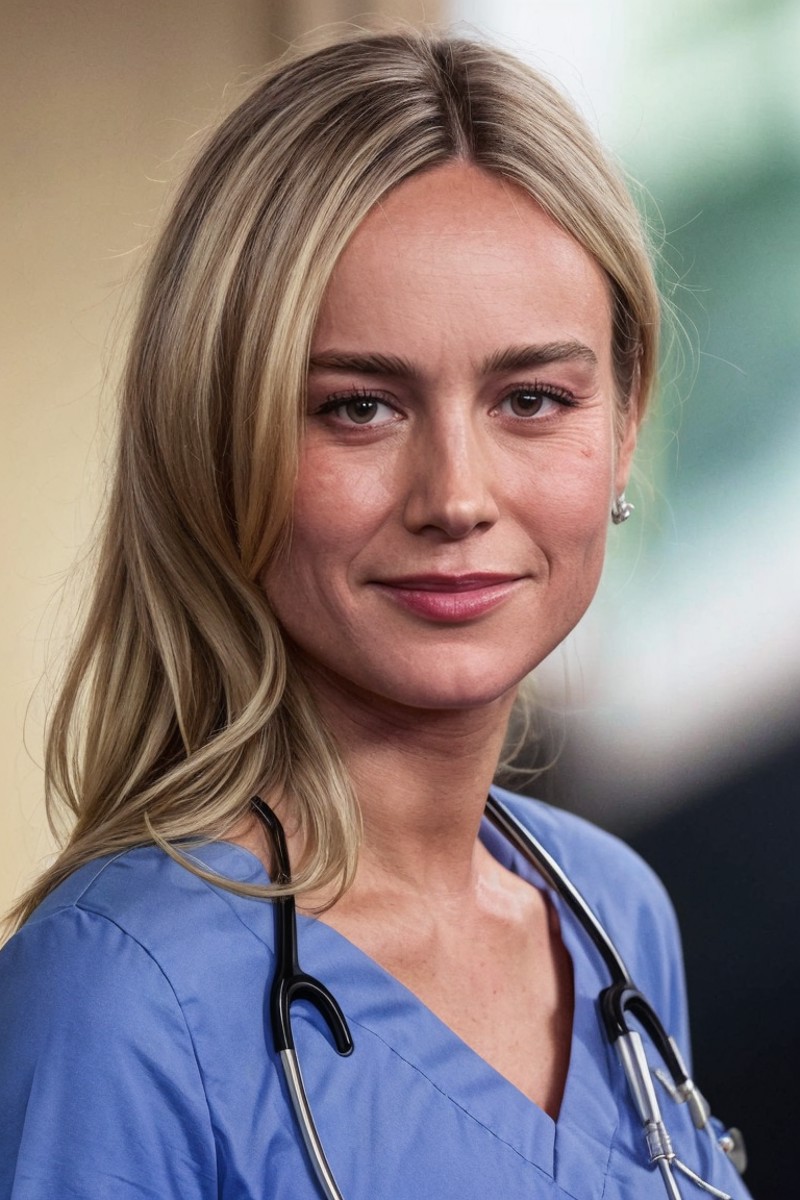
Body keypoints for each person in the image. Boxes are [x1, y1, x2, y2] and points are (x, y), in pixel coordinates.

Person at [0, 29, 751, 1200]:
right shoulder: (118, 1000)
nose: (454, 496)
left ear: (625, 419)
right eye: (357, 408)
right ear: (219, 439)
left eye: (531, 397)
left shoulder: (609, 914)